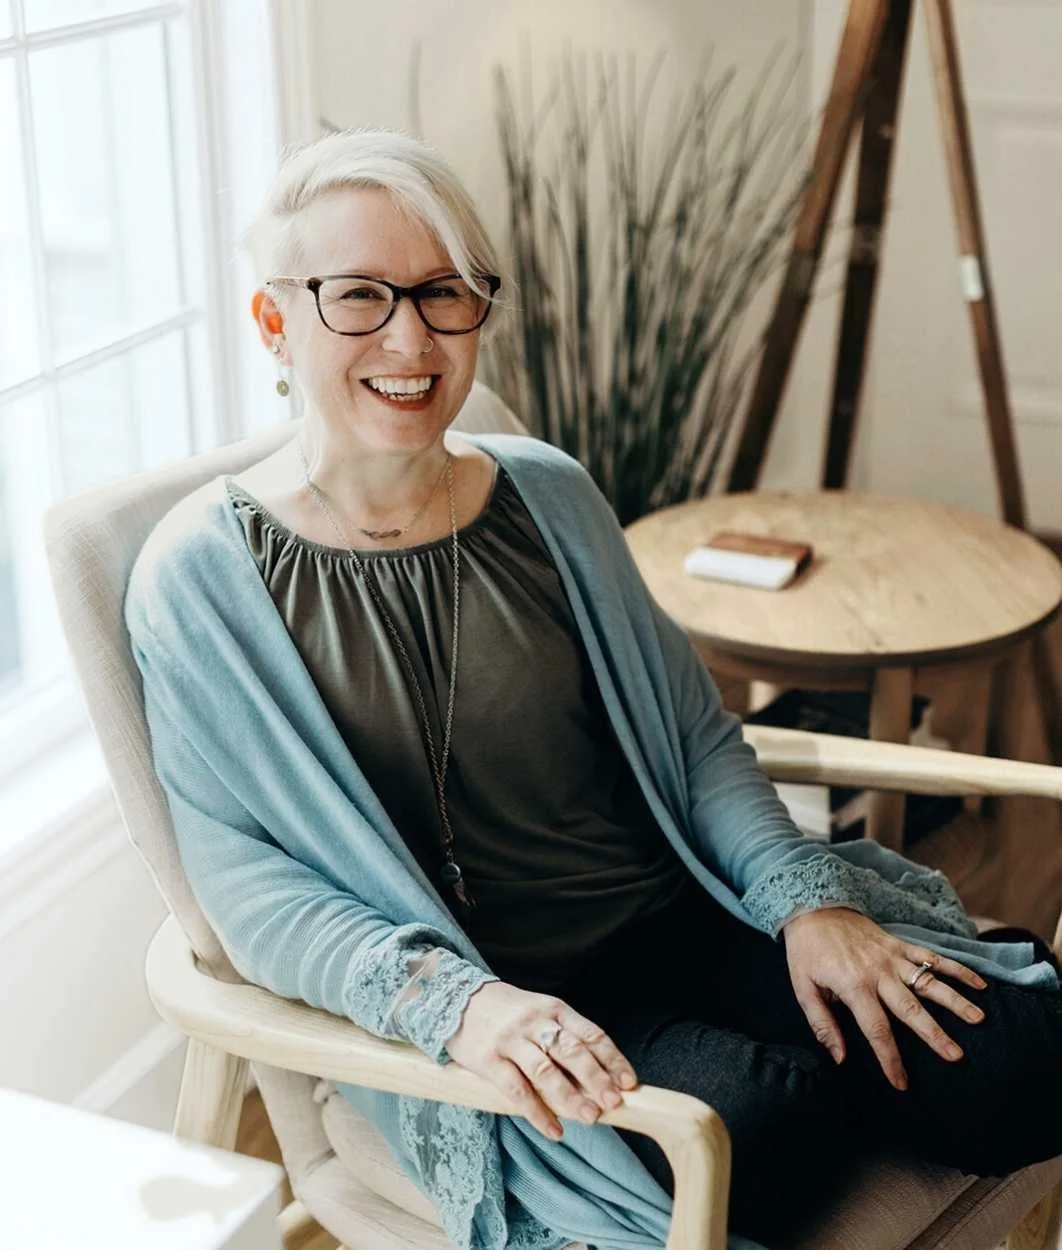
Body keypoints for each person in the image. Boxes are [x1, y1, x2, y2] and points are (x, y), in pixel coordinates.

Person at [124, 127, 1062, 1250]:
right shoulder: (201, 579)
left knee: (1022, 1056)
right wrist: (457, 1004)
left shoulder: (549, 498)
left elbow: (697, 740)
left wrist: (809, 904)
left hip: (679, 913)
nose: (411, 337)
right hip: (510, 1000)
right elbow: (250, 888)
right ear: (277, 321)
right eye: (359, 296)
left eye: (445, 292)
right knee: (760, 1122)